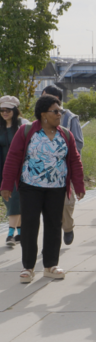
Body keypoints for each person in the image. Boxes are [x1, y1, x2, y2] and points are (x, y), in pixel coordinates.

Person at [1, 95, 86, 283]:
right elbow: (13, 158)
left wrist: (79, 185)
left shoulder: (66, 134)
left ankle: (50, 266)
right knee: (30, 226)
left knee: (54, 225)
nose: (60, 114)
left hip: (57, 187)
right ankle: (28, 267)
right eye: (55, 111)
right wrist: (6, 185)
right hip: (30, 187)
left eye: (60, 111)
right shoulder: (27, 131)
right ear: (43, 114)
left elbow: (74, 161)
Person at [41, 85, 83, 246]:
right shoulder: (39, 117)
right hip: (44, 171)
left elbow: (79, 143)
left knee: (66, 203)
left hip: (66, 169)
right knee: (48, 207)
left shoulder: (70, 118)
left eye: (46, 97)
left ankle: (68, 227)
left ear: (57, 100)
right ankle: (51, 241)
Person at [0, 96, 28, 247]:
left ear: (15, 110)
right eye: (2, 110)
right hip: (2, 169)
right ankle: (21, 233)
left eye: (8, 110)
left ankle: (10, 234)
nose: (4, 112)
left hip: (19, 170)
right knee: (9, 201)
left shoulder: (23, 125)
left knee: (14, 199)